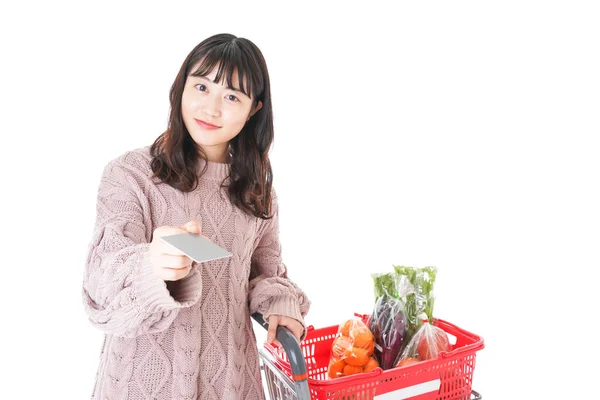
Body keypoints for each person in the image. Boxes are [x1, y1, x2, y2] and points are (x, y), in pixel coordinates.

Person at [82, 33, 311, 400]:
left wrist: (281, 304)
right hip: (141, 386)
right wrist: (151, 266)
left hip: (231, 385)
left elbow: (265, 275)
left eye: (232, 96)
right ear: (181, 86)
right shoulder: (131, 175)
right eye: (202, 87)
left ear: (254, 109)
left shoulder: (256, 191)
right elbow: (101, 285)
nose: (211, 108)